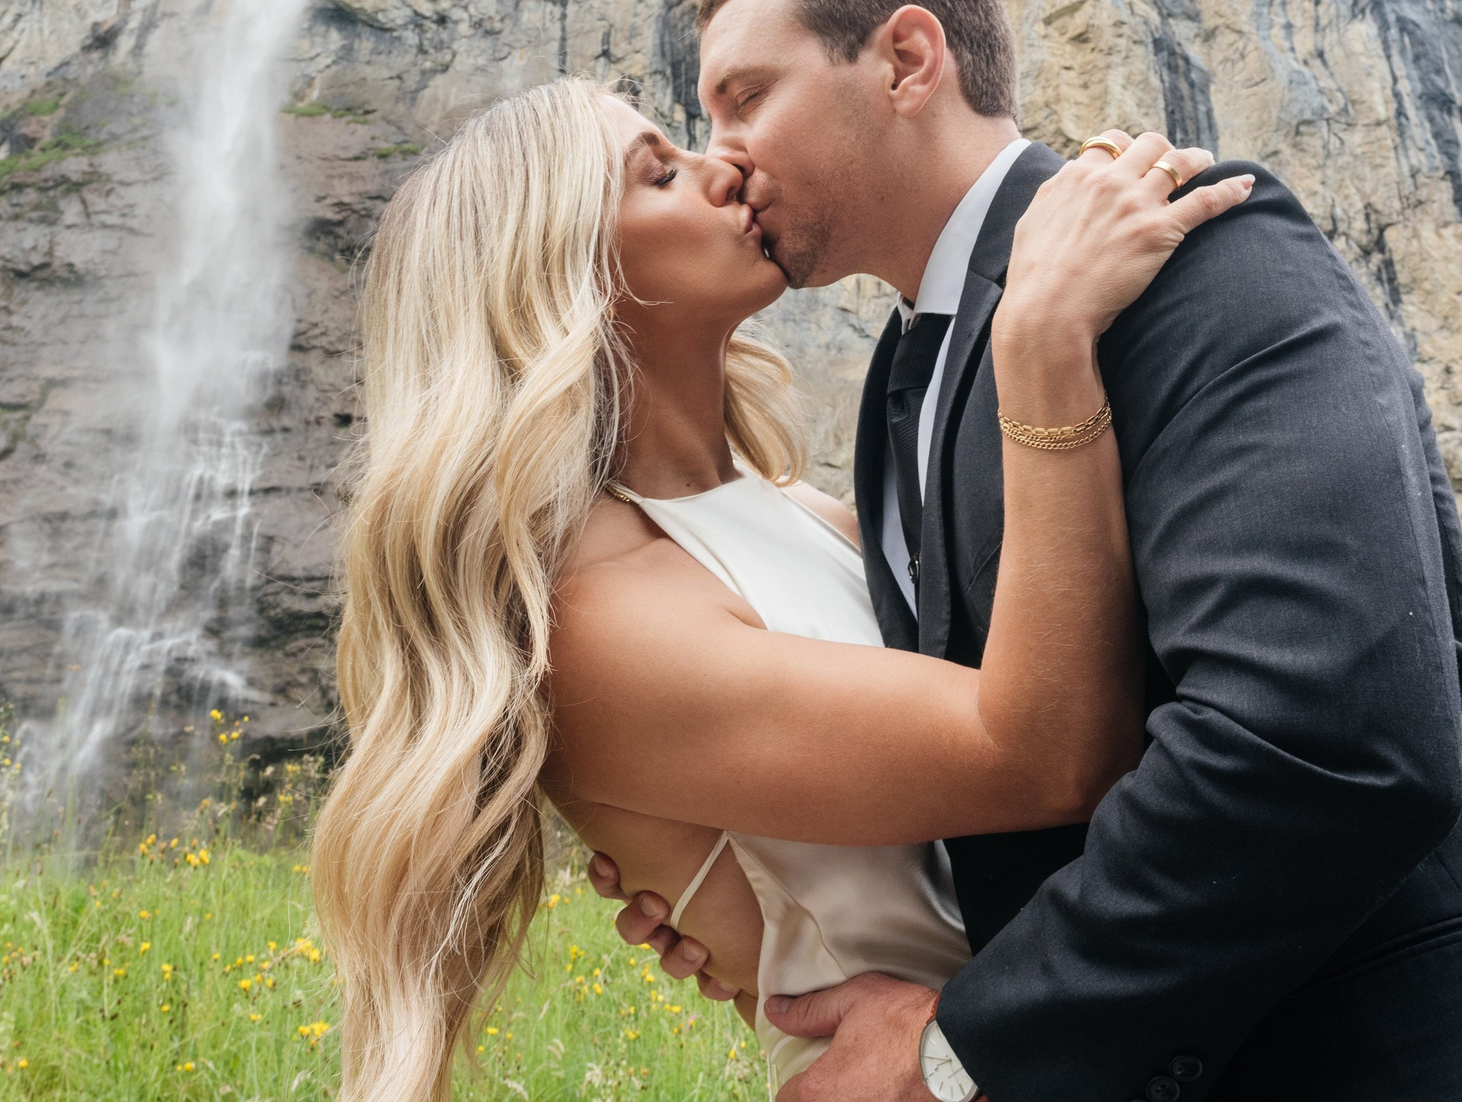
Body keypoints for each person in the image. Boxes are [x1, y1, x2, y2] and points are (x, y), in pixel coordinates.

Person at [594, 0, 1462, 1101]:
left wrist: (968, 1047)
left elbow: (1326, 735)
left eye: (746, 96)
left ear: (907, 60)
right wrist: (733, 895)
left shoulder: (1179, 233)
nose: (724, 153)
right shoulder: (892, 402)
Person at [308, 69, 1251, 1102]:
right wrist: (1040, 339)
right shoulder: (597, 616)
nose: (728, 171)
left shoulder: (794, 505)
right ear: (559, 272)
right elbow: (1048, 753)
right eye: (660, 171)